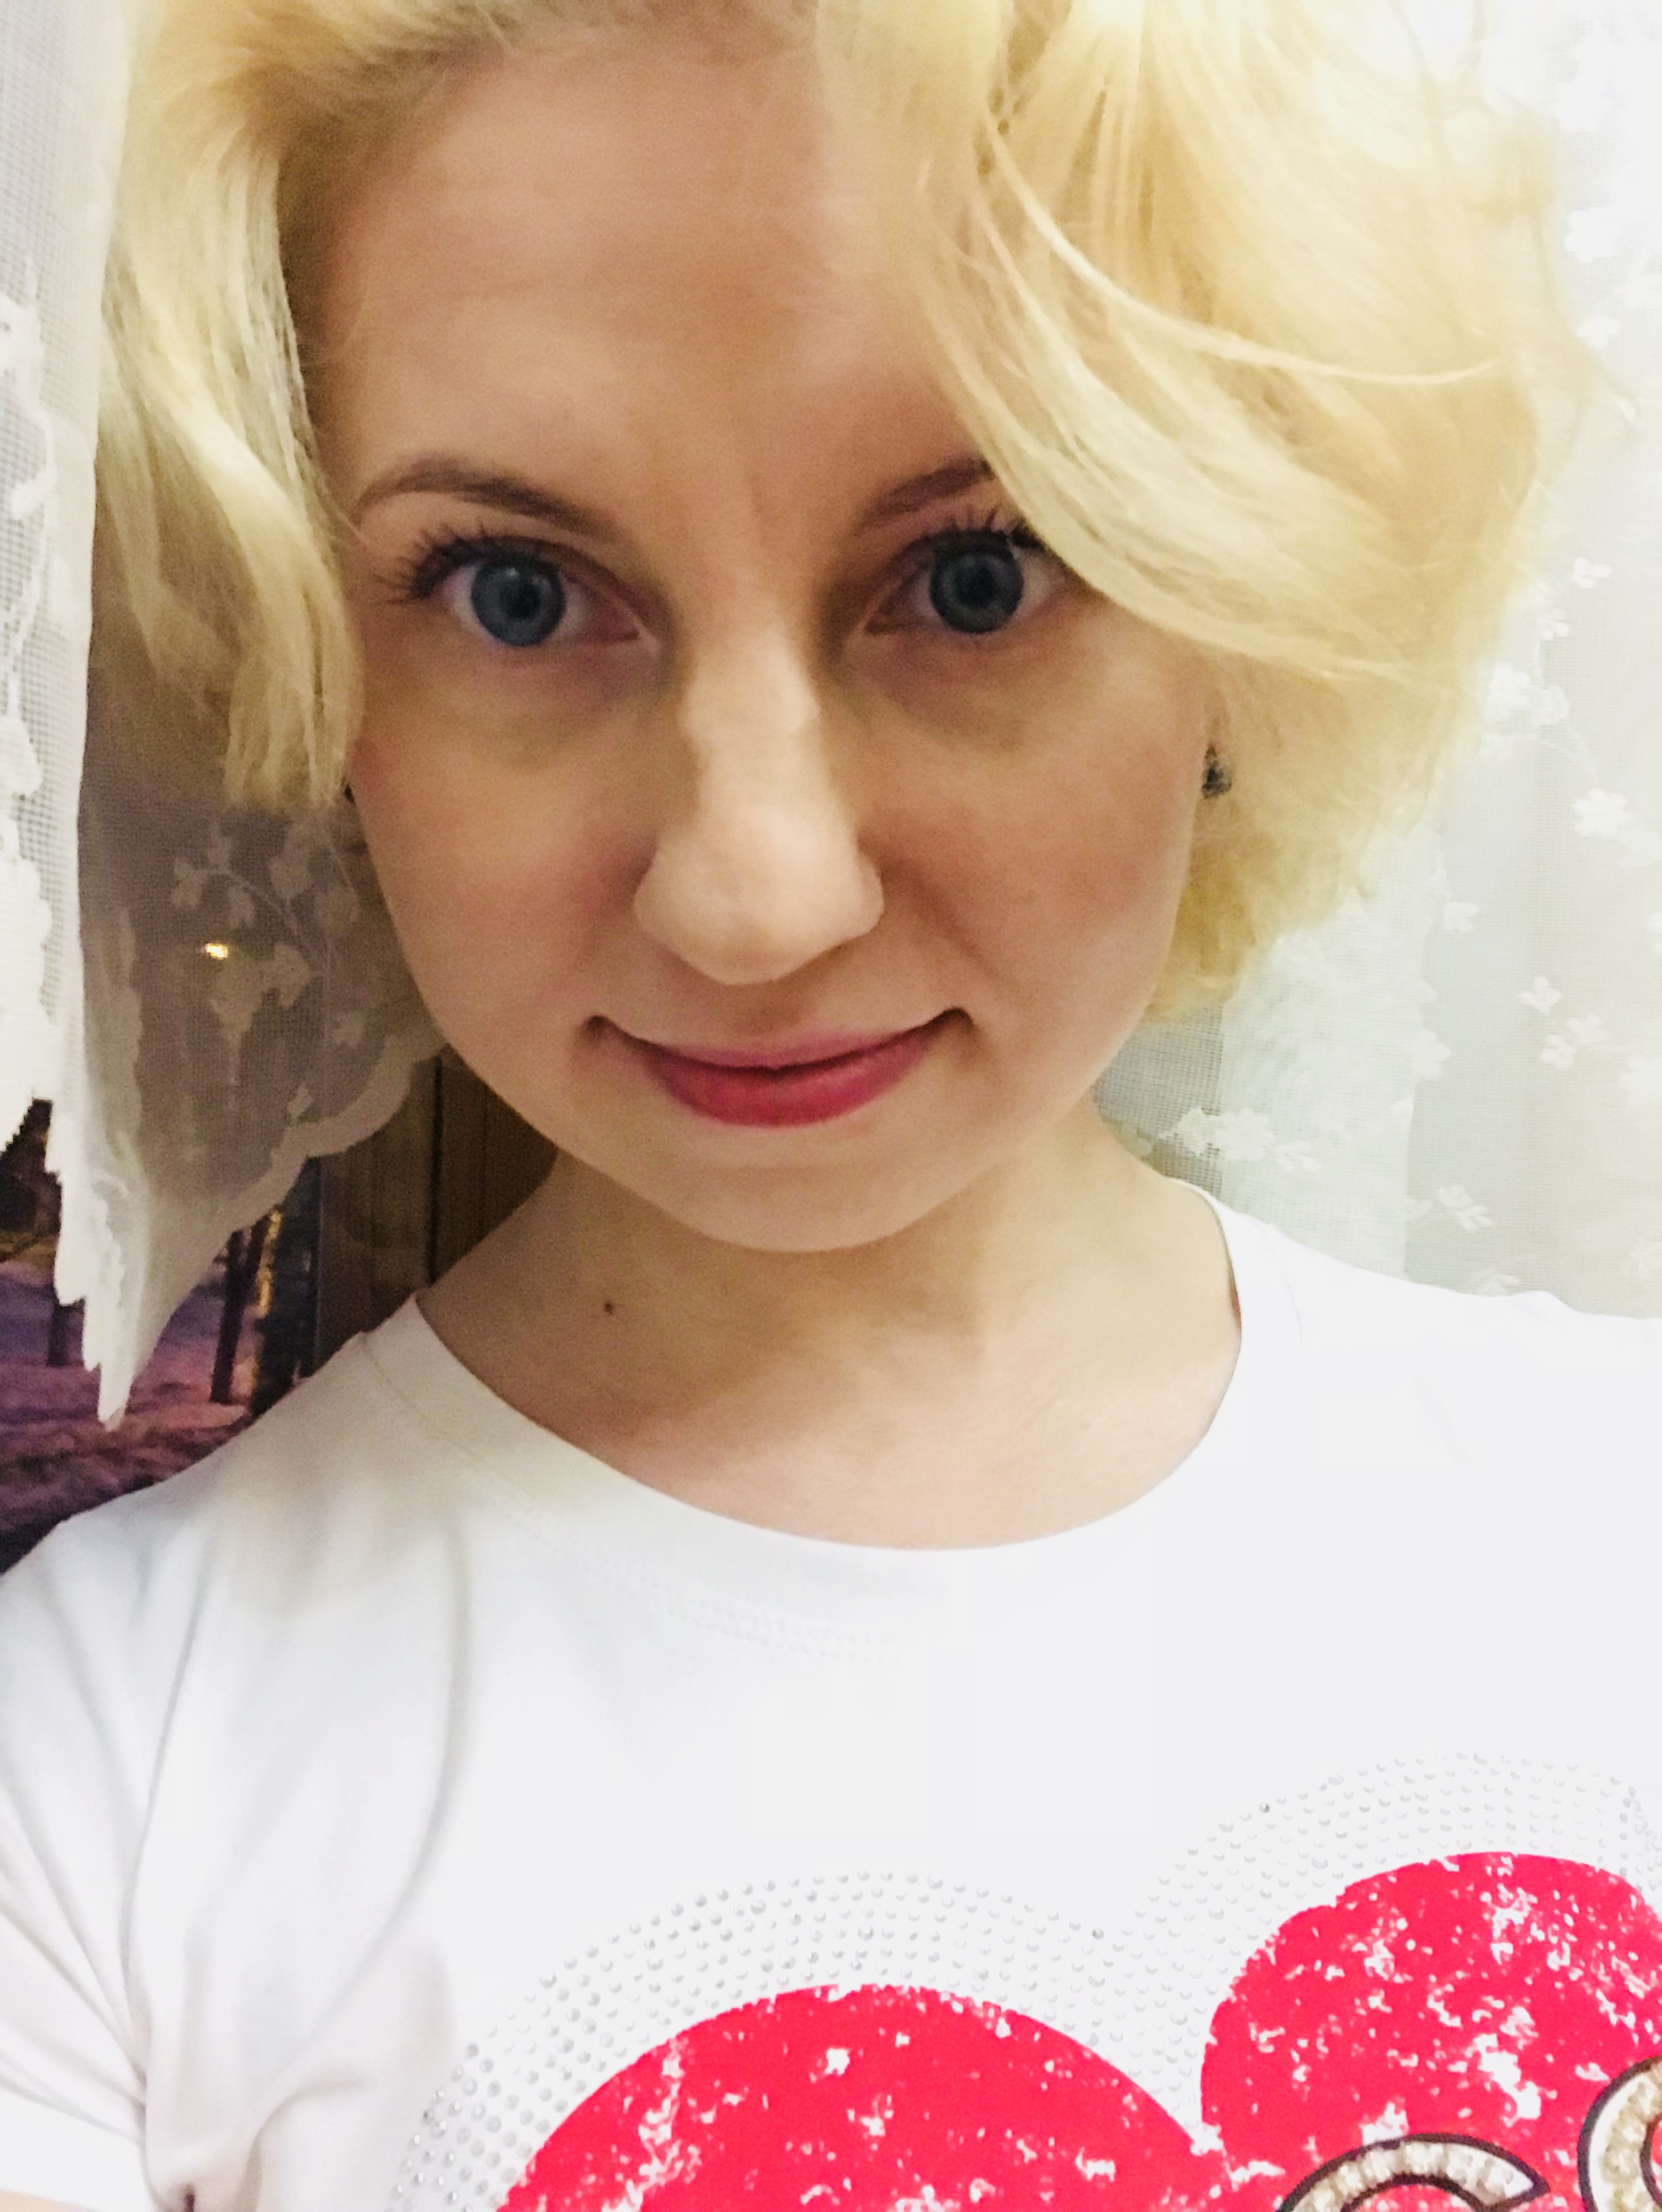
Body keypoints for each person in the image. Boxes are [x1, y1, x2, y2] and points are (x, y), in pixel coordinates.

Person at [0, 0, 1658, 2207]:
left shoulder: (1614, 1512)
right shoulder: (90, 1795)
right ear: (313, 657)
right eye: (517, 596)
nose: (754, 894)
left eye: (976, 578)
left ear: (1236, 611)